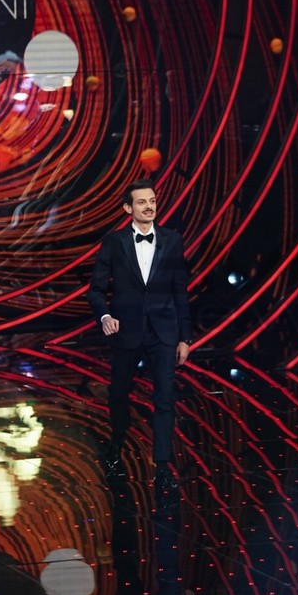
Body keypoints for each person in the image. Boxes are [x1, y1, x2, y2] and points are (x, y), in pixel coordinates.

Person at [87, 179, 192, 491]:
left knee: (165, 398)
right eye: (142, 202)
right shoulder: (114, 242)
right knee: (118, 394)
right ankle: (117, 443)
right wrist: (105, 316)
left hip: (164, 332)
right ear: (127, 208)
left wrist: (185, 337)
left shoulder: (172, 240)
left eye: (152, 201)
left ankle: (162, 466)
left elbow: (180, 291)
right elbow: (95, 290)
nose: (149, 207)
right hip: (127, 331)